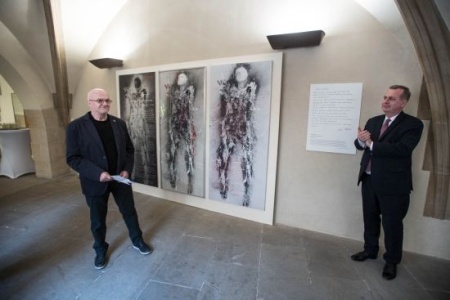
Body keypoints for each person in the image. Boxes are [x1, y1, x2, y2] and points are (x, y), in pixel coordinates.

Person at [66, 88, 153, 270]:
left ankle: (137, 240)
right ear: (89, 103)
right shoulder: (76, 127)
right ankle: (100, 250)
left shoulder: (118, 123)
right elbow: (73, 158)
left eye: (107, 100)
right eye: (100, 100)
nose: (105, 103)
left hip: (120, 178)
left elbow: (129, 150)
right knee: (97, 219)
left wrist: (126, 170)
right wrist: (97, 173)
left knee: (129, 212)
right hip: (94, 182)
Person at [352, 85, 423, 280]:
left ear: (403, 102)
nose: (385, 101)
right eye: (385, 97)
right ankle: (370, 249)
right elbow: (361, 145)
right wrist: (360, 140)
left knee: (392, 224)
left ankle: (391, 261)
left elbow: (402, 149)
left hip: (393, 185)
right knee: (370, 217)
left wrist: (371, 144)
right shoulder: (373, 121)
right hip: (369, 179)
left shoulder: (413, 124)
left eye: (391, 98)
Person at [216, 63, 258, 207]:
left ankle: (246, 193)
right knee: (223, 157)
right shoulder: (229, 89)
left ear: (247, 74)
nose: (239, 73)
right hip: (230, 127)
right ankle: (223, 186)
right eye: (237, 71)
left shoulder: (251, 88)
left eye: (242, 71)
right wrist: (224, 92)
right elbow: (224, 109)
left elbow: (251, 106)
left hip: (245, 128)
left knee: (246, 161)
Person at [165, 71, 196, 194]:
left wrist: (170, 95)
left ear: (187, 79)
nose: (179, 78)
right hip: (175, 126)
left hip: (186, 126)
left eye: (182, 76)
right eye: (178, 76)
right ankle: (173, 176)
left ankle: (190, 182)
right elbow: (172, 106)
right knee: (173, 152)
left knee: (189, 154)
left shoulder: (190, 91)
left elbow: (188, 105)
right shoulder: (176, 93)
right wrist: (169, 94)